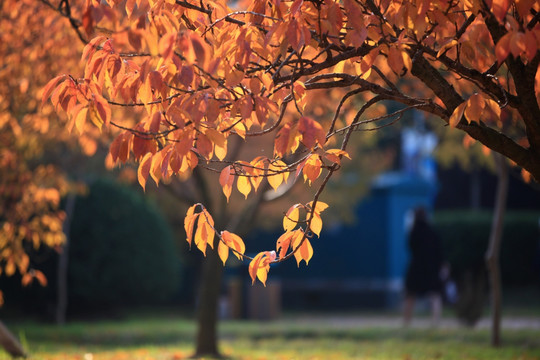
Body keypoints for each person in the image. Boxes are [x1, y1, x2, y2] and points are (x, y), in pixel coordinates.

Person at [403, 207, 445, 327]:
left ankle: (407, 322)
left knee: (410, 295)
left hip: (416, 267)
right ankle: (436, 321)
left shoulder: (413, 232)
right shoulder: (433, 232)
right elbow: (439, 251)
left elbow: (410, 247)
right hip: (432, 268)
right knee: (435, 295)